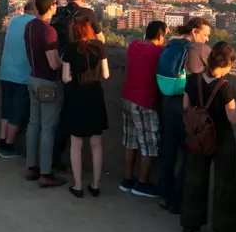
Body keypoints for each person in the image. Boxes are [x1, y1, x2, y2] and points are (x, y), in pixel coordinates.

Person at [181, 41, 236, 232]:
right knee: (224, 184)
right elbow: (233, 118)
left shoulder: (192, 80)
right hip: (221, 137)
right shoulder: (225, 88)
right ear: (227, 64)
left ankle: (190, 225)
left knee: (194, 178)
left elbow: (186, 107)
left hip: (197, 135)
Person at [157, 16, 212, 214]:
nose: (206, 39)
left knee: (168, 151)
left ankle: (164, 194)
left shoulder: (172, 44)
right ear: (195, 31)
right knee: (187, 156)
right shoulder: (199, 49)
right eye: (205, 35)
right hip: (186, 105)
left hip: (168, 101)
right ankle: (177, 201)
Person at [50, 0, 105, 170]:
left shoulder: (57, 12)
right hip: (85, 74)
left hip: (60, 65)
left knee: (63, 116)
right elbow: (100, 39)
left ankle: (54, 158)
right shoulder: (88, 13)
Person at [61, 19, 110, 198]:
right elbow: (106, 74)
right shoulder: (99, 46)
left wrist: (76, 75)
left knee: (76, 144)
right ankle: (96, 185)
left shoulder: (70, 49)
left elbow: (65, 78)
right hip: (95, 96)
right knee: (96, 143)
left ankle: (78, 185)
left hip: (77, 96)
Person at [120, 21, 167, 198]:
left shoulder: (133, 46)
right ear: (160, 36)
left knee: (130, 142)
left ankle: (127, 179)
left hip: (127, 98)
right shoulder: (157, 51)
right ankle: (142, 183)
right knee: (149, 145)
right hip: (145, 103)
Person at [24, 0, 66, 188]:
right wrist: (64, 60)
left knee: (34, 124)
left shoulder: (30, 26)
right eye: (56, 4)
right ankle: (46, 173)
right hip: (47, 83)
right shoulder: (48, 31)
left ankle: (31, 167)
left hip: (32, 79)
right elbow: (53, 64)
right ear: (51, 7)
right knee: (48, 128)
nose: (57, 6)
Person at [0, 0, 35, 159]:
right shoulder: (34, 24)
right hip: (22, 75)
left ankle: (1, 142)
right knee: (17, 113)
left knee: (6, 110)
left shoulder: (13, 20)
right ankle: (8, 146)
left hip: (5, 71)